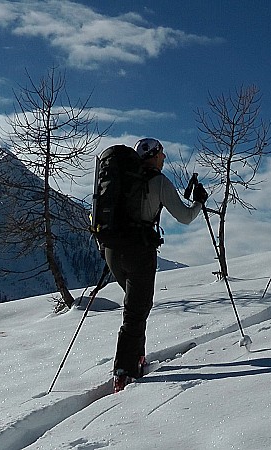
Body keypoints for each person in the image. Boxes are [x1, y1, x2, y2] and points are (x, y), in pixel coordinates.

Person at [105, 137, 208, 393]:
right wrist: (199, 202)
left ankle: (137, 359)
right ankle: (124, 372)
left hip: (111, 249)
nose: (163, 158)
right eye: (161, 154)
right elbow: (184, 217)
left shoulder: (121, 179)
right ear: (154, 155)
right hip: (138, 250)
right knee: (136, 311)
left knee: (136, 306)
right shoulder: (158, 181)